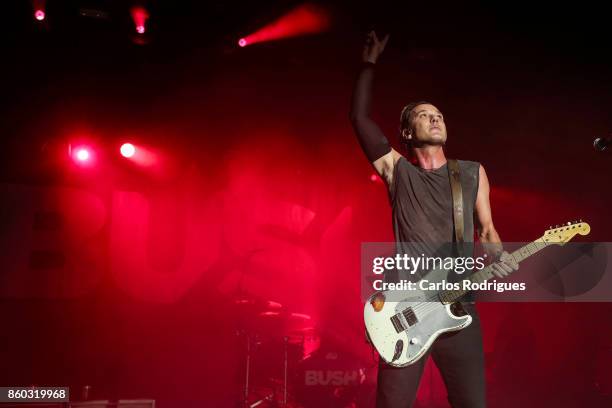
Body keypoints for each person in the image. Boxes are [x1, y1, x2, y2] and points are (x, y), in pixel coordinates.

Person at [349, 31, 519, 408]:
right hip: (406, 307)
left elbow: (487, 230)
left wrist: (496, 255)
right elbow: (359, 118)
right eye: (425, 116)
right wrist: (369, 62)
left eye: (439, 115)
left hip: (459, 308)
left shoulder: (472, 173)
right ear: (408, 132)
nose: (435, 118)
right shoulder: (398, 172)